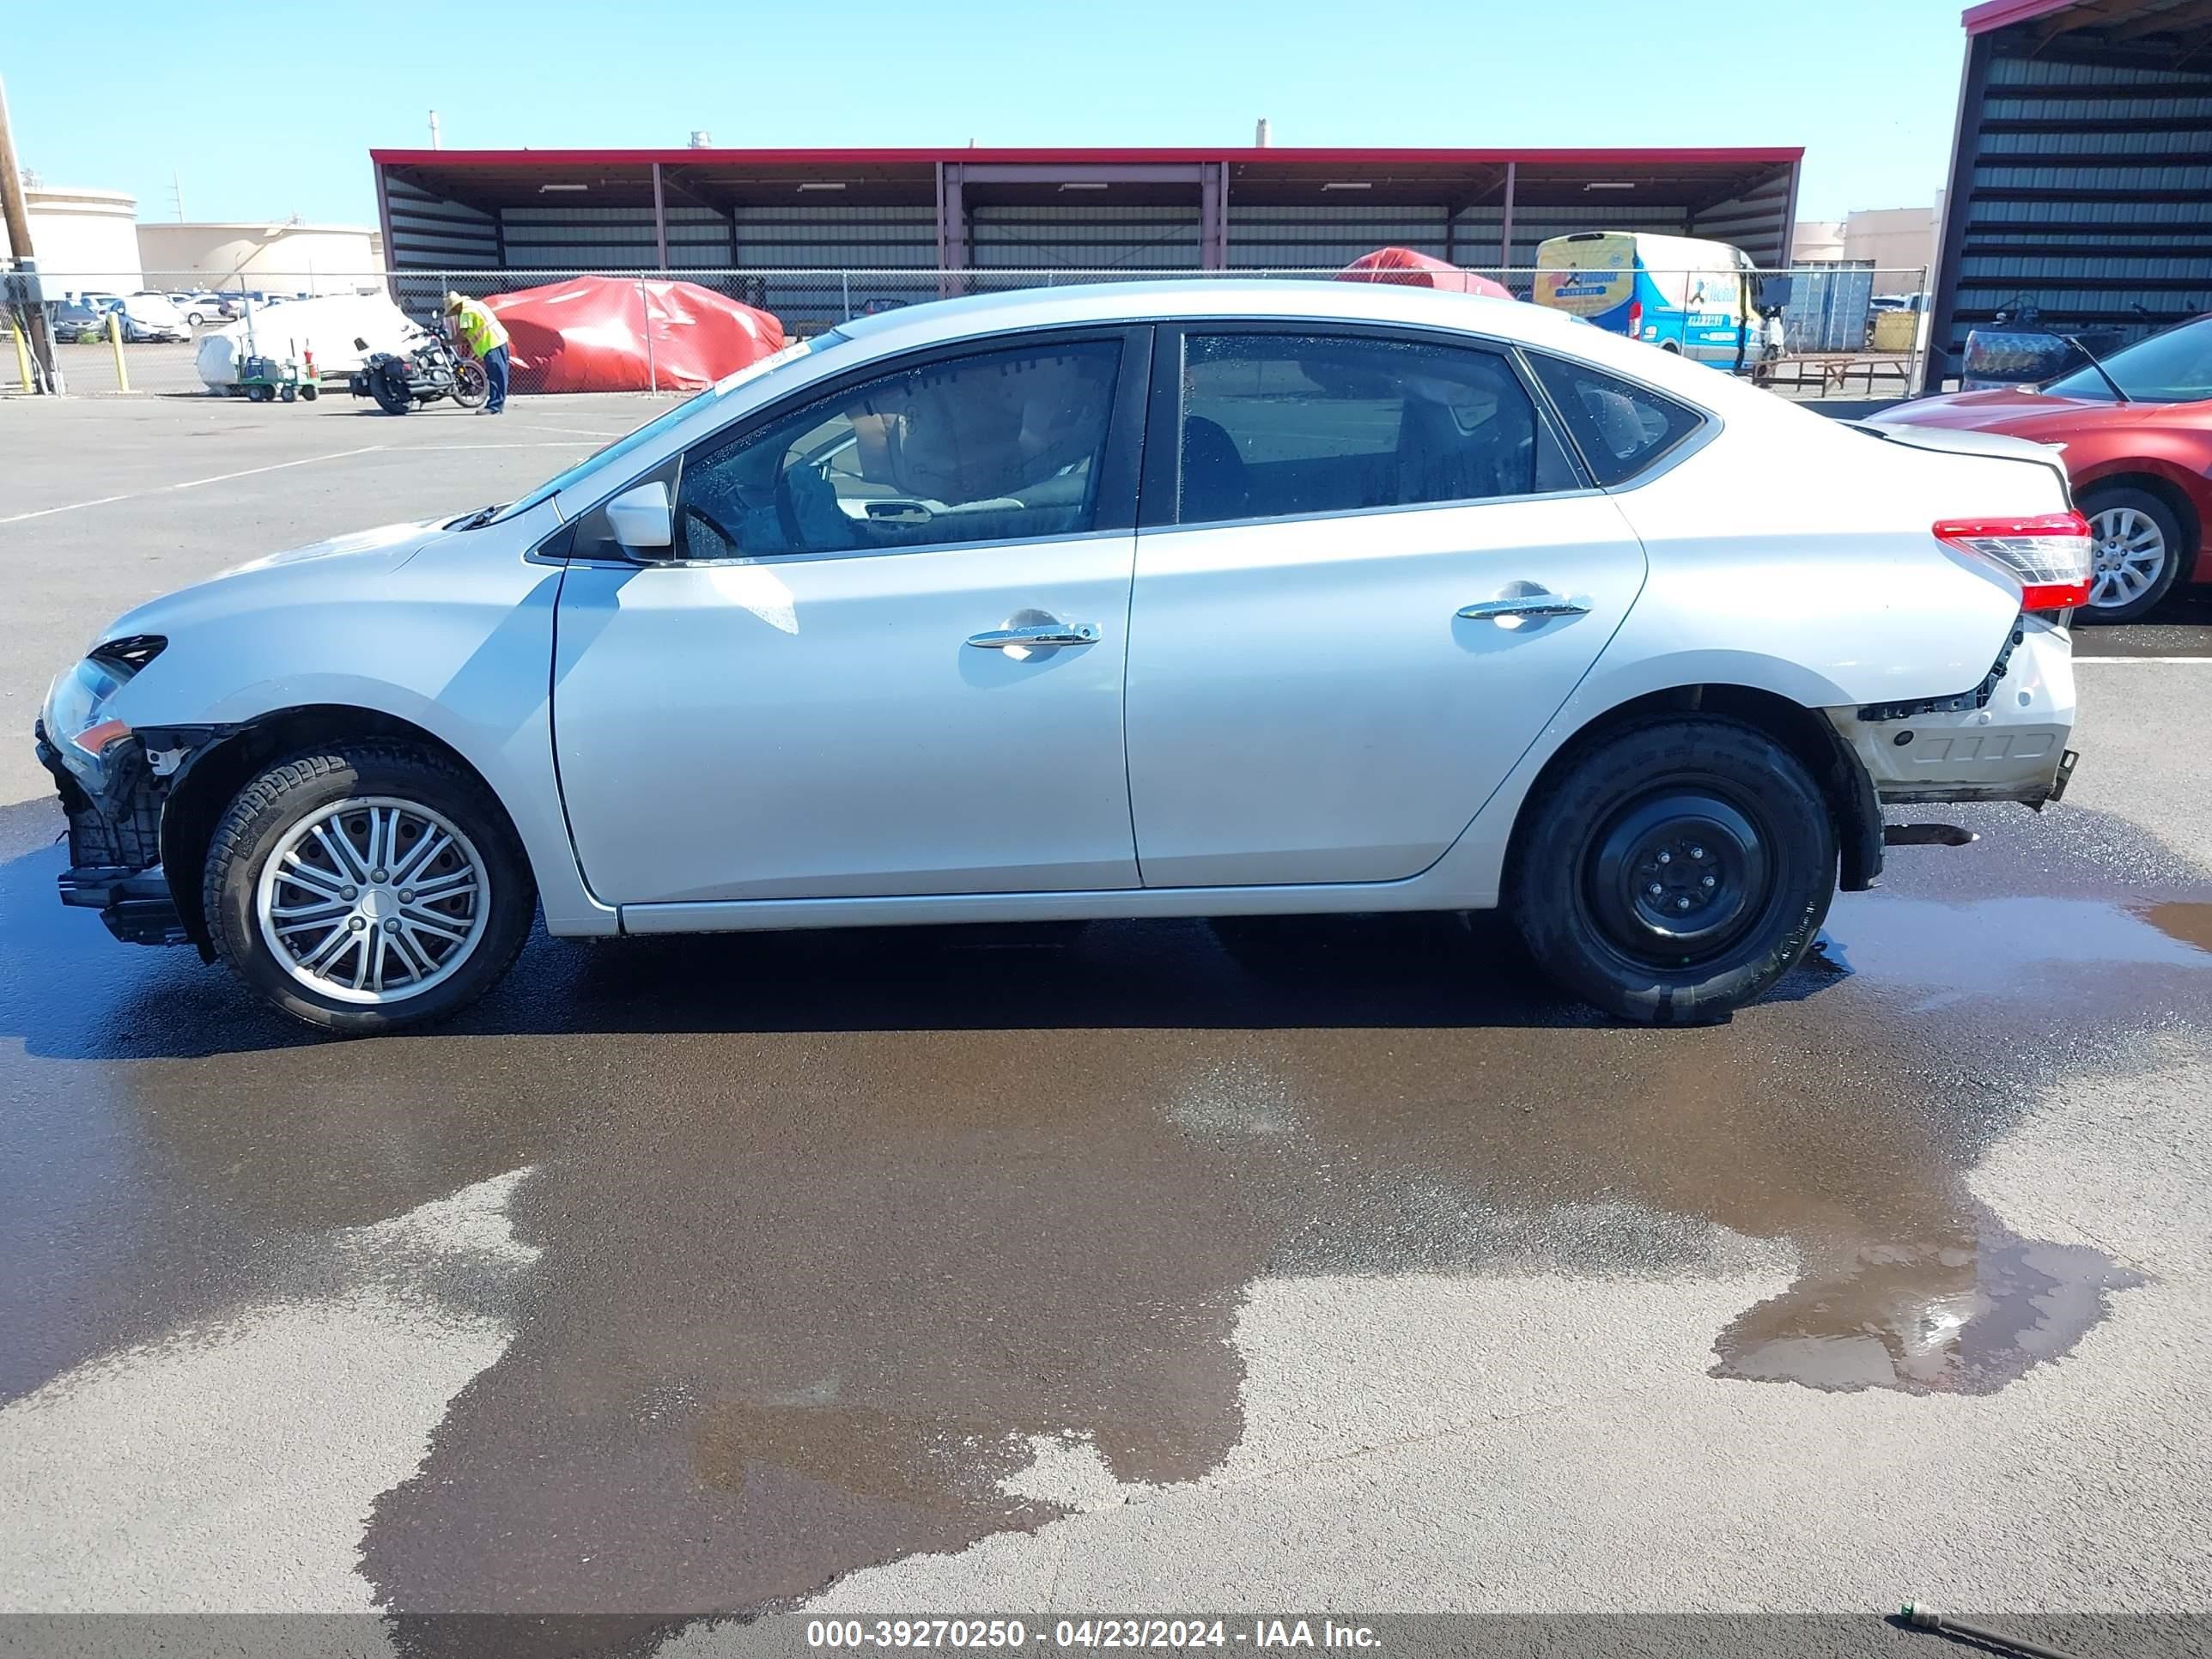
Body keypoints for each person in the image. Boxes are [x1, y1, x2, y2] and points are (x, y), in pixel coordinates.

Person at [443, 291, 511, 415]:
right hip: (499, 340)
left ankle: (494, 406)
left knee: (496, 376)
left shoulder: (466, 312)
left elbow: (463, 334)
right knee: (500, 375)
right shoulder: (475, 304)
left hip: (491, 343)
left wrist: (449, 342)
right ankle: (497, 404)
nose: (455, 314)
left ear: (456, 306)